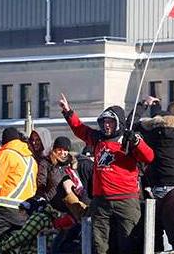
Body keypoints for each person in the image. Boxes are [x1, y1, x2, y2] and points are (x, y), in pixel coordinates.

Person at [59, 93, 154, 254]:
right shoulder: (98, 139)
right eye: (104, 122)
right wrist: (68, 112)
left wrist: (137, 142)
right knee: (99, 244)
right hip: (101, 201)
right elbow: (80, 129)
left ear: (118, 123)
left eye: (110, 122)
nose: (106, 126)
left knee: (128, 242)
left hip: (126, 200)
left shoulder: (129, 140)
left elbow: (149, 156)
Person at [128, 97, 174, 251]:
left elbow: (130, 123)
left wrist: (143, 104)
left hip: (156, 188)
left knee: (153, 231)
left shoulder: (152, 131)